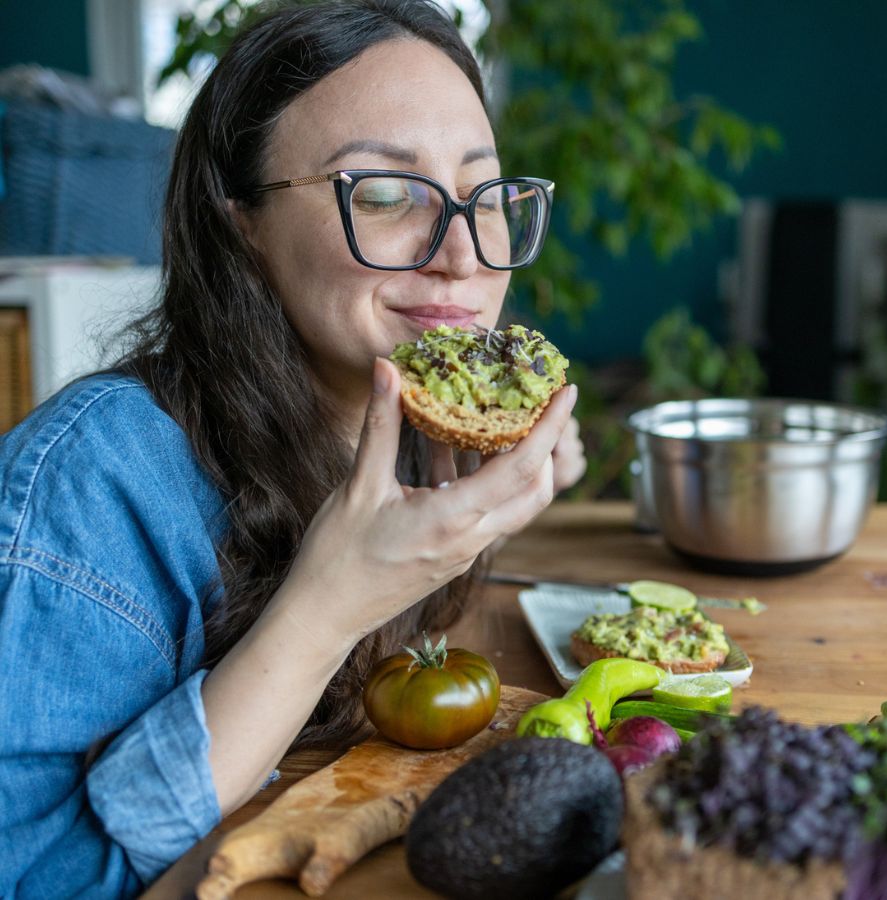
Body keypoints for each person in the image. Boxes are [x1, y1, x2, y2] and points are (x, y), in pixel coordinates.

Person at [0, 1, 585, 895]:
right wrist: (326, 606)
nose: (464, 255)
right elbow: (35, 870)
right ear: (243, 221)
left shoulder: (396, 431)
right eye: (385, 194)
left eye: (487, 194)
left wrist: (475, 521)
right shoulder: (92, 484)